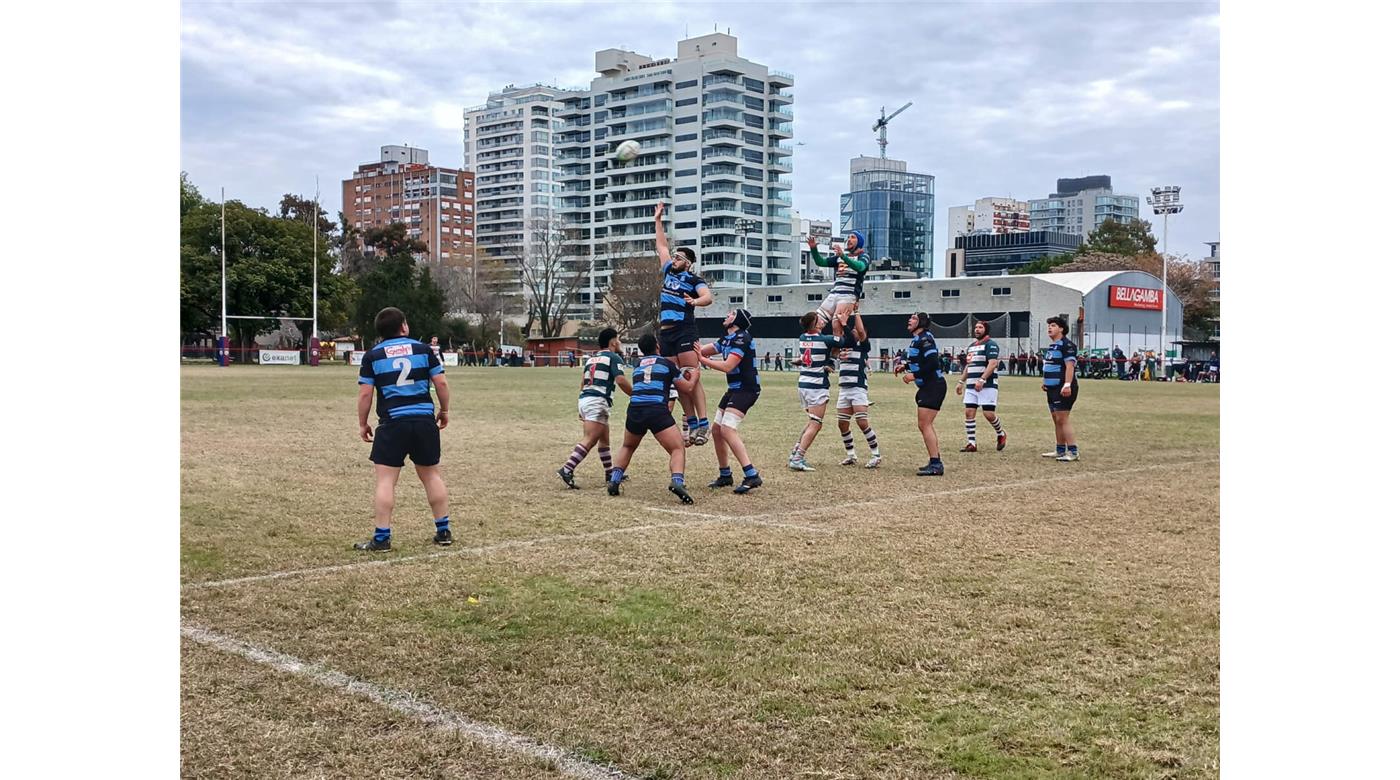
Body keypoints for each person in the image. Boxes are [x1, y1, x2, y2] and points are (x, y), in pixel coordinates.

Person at [354, 307, 453, 552]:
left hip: (392, 424)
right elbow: (440, 382)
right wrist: (444, 410)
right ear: (405, 326)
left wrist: (363, 423)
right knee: (432, 476)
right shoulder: (423, 350)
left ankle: (382, 538)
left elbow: (366, 393)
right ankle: (443, 532)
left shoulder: (372, 356)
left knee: (386, 481)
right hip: (423, 422)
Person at [607, 333, 698, 504]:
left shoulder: (638, 365)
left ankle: (614, 480)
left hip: (635, 409)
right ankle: (678, 482)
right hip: (656, 409)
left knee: (628, 446)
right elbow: (688, 388)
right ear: (657, 345)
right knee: (677, 448)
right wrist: (695, 375)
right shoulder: (667, 364)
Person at [654, 201, 714, 446]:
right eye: (675, 255)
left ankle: (703, 422)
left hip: (684, 330)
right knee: (679, 381)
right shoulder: (668, 271)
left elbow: (708, 297)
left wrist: (695, 301)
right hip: (665, 333)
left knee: (691, 376)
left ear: (688, 262)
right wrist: (657, 220)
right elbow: (661, 246)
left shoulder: (692, 278)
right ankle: (691, 422)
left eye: (679, 257)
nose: (674, 258)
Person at [693, 308, 764, 494]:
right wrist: (683, 345)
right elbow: (703, 350)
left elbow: (728, 366)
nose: (726, 315)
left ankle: (751, 475)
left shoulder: (742, 338)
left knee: (726, 429)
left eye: (731, 314)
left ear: (738, 320)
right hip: (734, 390)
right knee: (716, 430)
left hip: (747, 390)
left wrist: (702, 360)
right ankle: (725, 475)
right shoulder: (727, 338)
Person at [557, 328, 632, 489]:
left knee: (604, 439)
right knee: (590, 439)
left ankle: (609, 473)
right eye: (618, 340)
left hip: (586, 399)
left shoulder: (592, 359)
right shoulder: (613, 357)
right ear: (613, 342)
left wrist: (581, 406)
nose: (619, 343)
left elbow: (583, 383)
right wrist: (635, 394)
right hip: (597, 401)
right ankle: (567, 469)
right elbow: (620, 380)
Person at [789, 311, 844, 471]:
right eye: (819, 320)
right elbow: (842, 341)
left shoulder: (802, 338)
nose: (822, 321)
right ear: (814, 324)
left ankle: (795, 453)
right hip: (816, 385)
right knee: (816, 424)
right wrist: (842, 323)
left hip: (803, 384)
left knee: (812, 422)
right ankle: (798, 458)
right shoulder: (824, 339)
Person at [897, 312, 946, 476]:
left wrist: (915, 375)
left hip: (934, 385)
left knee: (925, 425)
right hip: (929, 386)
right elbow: (920, 360)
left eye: (914, 318)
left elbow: (932, 363)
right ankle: (934, 460)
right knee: (924, 425)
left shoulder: (925, 339)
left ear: (922, 323)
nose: (909, 320)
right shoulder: (917, 339)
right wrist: (905, 367)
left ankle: (936, 464)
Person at [834, 311, 882, 468]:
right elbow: (838, 339)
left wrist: (854, 313)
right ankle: (851, 455)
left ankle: (876, 454)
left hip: (858, 388)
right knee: (842, 423)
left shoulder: (862, 346)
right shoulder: (844, 344)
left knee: (862, 422)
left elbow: (860, 331)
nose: (854, 331)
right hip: (844, 388)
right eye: (851, 330)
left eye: (856, 330)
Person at [955, 320, 1008, 453]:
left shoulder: (991, 345)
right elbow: (969, 366)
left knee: (988, 414)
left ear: (986, 330)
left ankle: (1001, 433)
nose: (977, 329)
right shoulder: (972, 346)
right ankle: (971, 443)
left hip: (988, 385)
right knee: (969, 412)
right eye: (976, 327)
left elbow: (993, 363)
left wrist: (982, 379)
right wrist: (961, 382)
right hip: (971, 386)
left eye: (980, 327)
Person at [806, 232, 870, 341]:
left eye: (853, 237)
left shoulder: (863, 256)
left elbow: (860, 267)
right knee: (816, 321)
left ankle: (834, 356)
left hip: (848, 295)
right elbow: (820, 262)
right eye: (848, 237)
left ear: (859, 242)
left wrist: (843, 257)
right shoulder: (840, 257)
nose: (849, 239)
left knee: (837, 324)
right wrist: (813, 249)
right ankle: (814, 347)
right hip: (834, 293)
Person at [1040, 316, 1080, 462]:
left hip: (1062, 387)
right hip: (1051, 388)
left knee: (1063, 419)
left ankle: (1073, 451)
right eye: (1049, 326)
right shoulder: (1052, 346)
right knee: (1056, 419)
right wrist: (1046, 382)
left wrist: (1067, 384)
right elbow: (1051, 365)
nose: (1050, 328)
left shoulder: (1067, 345)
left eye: (1053, 325)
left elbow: (1070, 366)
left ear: (1061, 329)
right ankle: (1060, 450)